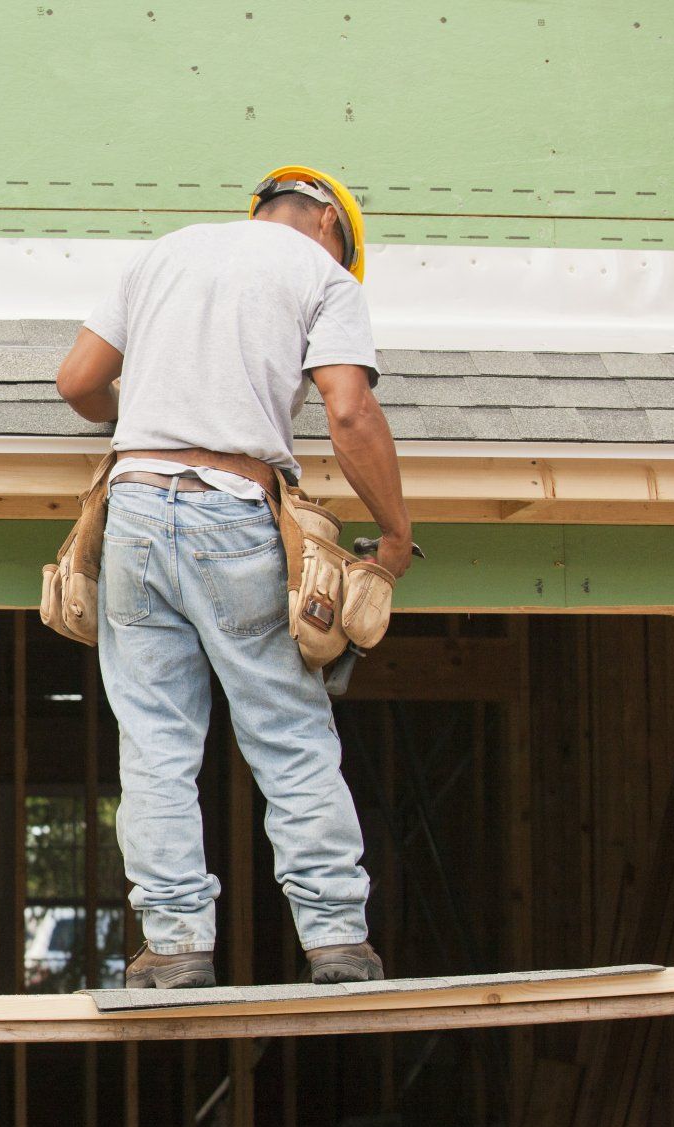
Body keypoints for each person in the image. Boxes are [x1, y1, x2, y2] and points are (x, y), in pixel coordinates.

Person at [52, 166, 412, 989]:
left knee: (154, 745)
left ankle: (175, 945)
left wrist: (149, 402)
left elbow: (76, 383)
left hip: (132, 514)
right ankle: (336, 943)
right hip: (234, 513)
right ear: (329, 226)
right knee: (288, 735)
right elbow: (349, 410)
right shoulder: (320, 277)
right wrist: (393, 536)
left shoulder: (163, 256)